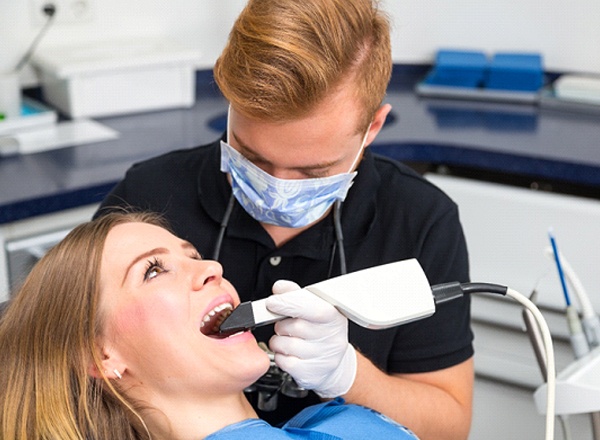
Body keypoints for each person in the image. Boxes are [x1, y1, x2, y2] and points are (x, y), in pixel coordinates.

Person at [95, 0, 474, 438]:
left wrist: (350, 375)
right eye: (252, 158)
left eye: (312, 172)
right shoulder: (148, 199)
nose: (277, 185)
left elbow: (449, 426)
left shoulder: (420, 219)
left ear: (372, 128)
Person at [0, 211, 419, 440]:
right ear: (100, 354)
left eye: (193, 254)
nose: (211, 268)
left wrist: (346, 371)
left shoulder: (326, 423)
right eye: (153, 271)